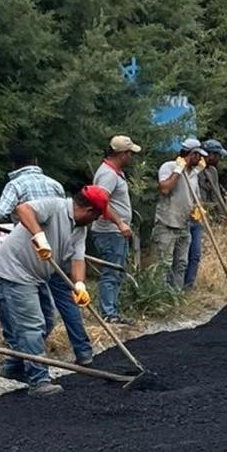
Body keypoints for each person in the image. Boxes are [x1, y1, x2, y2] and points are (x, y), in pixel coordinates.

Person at [0, 185, 117, 397]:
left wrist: (80, 285)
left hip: (37, 276)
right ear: (90, 211)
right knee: (32, 326)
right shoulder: (55, 206)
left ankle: (15, 366)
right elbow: (23, 209)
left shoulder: (79, 229)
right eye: (95, 217)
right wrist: (39, 235)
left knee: (47, 322)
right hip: (14, 272)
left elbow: (77, 258)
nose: (94, 222)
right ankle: (39, 382)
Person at [91, 134, 140, 322]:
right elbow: (100, 201)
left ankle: (112, 311)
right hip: (109, 232)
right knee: (111, 272)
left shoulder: (115, 172)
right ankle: (108, 314)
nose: (132, 157)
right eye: (130, 153)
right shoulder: (108, 175)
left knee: (117, 272)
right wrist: (119, 222)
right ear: (122, 154)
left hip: (115, 232)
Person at [153, 138, 203, 290]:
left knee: (181, 263)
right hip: (167, 223)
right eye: (198, 155)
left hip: (184, 225)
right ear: (191, 154)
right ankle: (160, 296)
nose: (200, 159)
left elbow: (195, 198)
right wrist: (178, 170)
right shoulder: (169, 167)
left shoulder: (194, 174)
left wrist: (196, 209)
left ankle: (176, 296)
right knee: (164, 264)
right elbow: (165, 189)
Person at [0, 143, 64, 226]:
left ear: (13, 164)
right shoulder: (55, 185)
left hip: (27, 236)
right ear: (35, 160)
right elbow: (63, 213)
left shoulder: (15, 185)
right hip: (55, 238)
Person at [184, 138, 227, 289]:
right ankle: (177, 287)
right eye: (217, 155)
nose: (219, 159)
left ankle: (189, 286)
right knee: (183, 255)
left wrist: (226, 216)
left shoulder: (212, 171)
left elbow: (216, 196)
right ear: (210, 155)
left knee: (195, 255)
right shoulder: (193, 169)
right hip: (186, 216)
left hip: (200, 218)